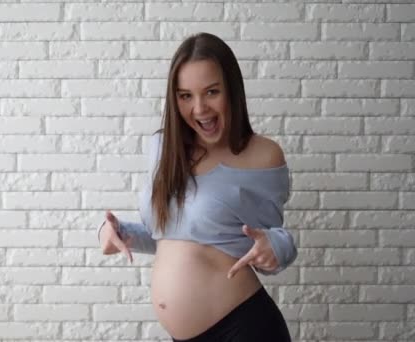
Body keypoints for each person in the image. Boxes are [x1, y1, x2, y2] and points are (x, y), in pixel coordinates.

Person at [97, 32, 297, 342]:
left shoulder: (262, 155)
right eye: (185, 95)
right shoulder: (162, 148)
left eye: (212, 92)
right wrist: (116, 233)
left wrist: (277, 247)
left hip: (244, 329)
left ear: (232, 90)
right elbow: (167, 236)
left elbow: (269, 247)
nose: (200, 108)